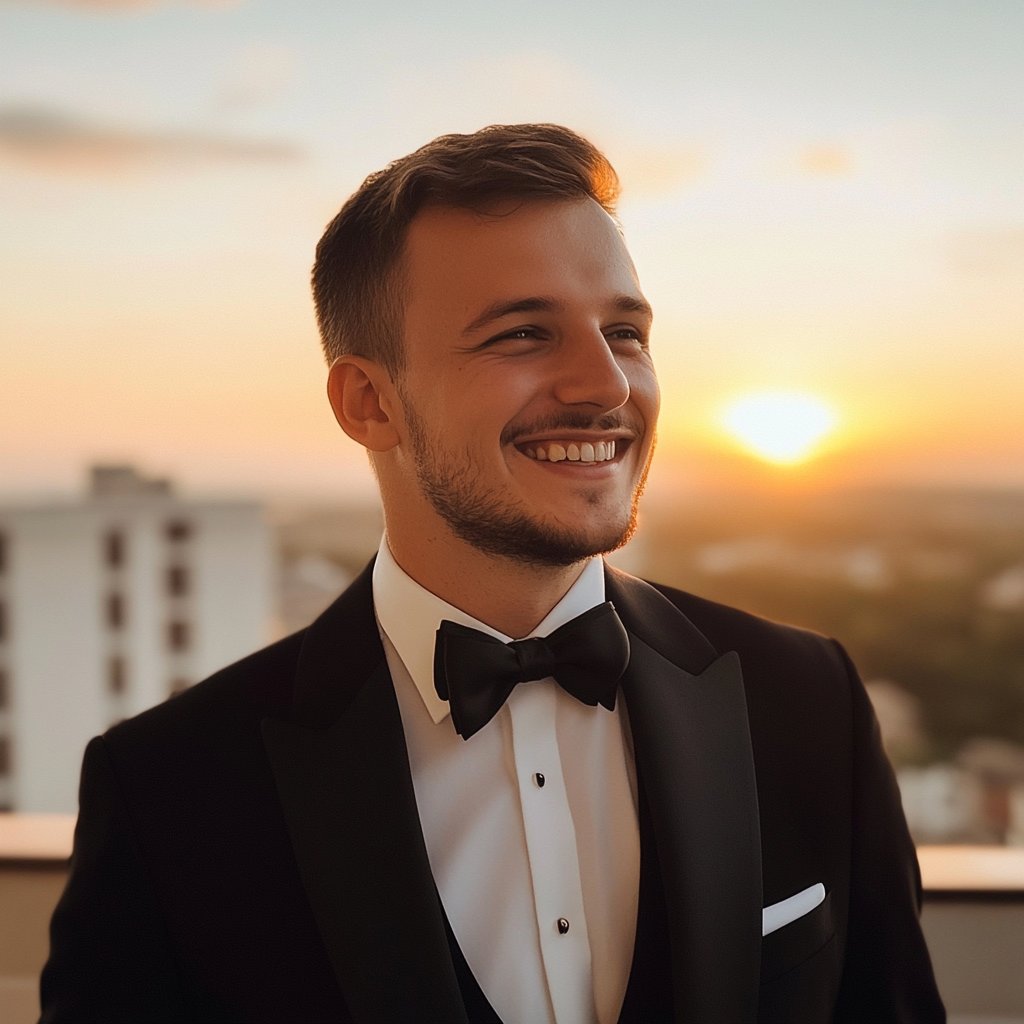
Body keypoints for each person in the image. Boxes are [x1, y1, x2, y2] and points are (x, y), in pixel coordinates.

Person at [40, 123, 944, 1023]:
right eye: (522, 334)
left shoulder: (806, 698)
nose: (607, 384)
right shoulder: (172, 789)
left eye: (625, 331)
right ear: (370, 402)